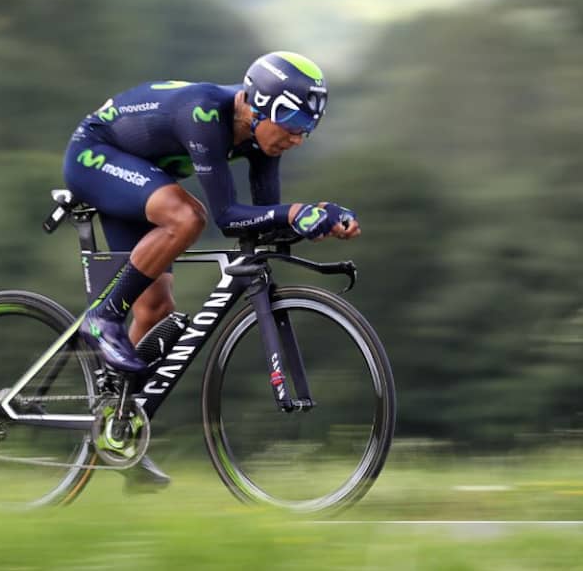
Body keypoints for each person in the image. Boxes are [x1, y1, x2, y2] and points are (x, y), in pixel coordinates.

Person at [62, 51, 360, 484]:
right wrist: (296, 212)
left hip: (142, 176)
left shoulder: (262, 140)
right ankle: (102, 318)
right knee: (189, 217)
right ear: (262, 106)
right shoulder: (204, 113)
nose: (297, 140)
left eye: (306, 132)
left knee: (156, 308)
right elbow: (226, 217)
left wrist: (318, 221)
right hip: (96, 155)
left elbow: (262, 222)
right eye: (294, 126)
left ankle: (117, 430)